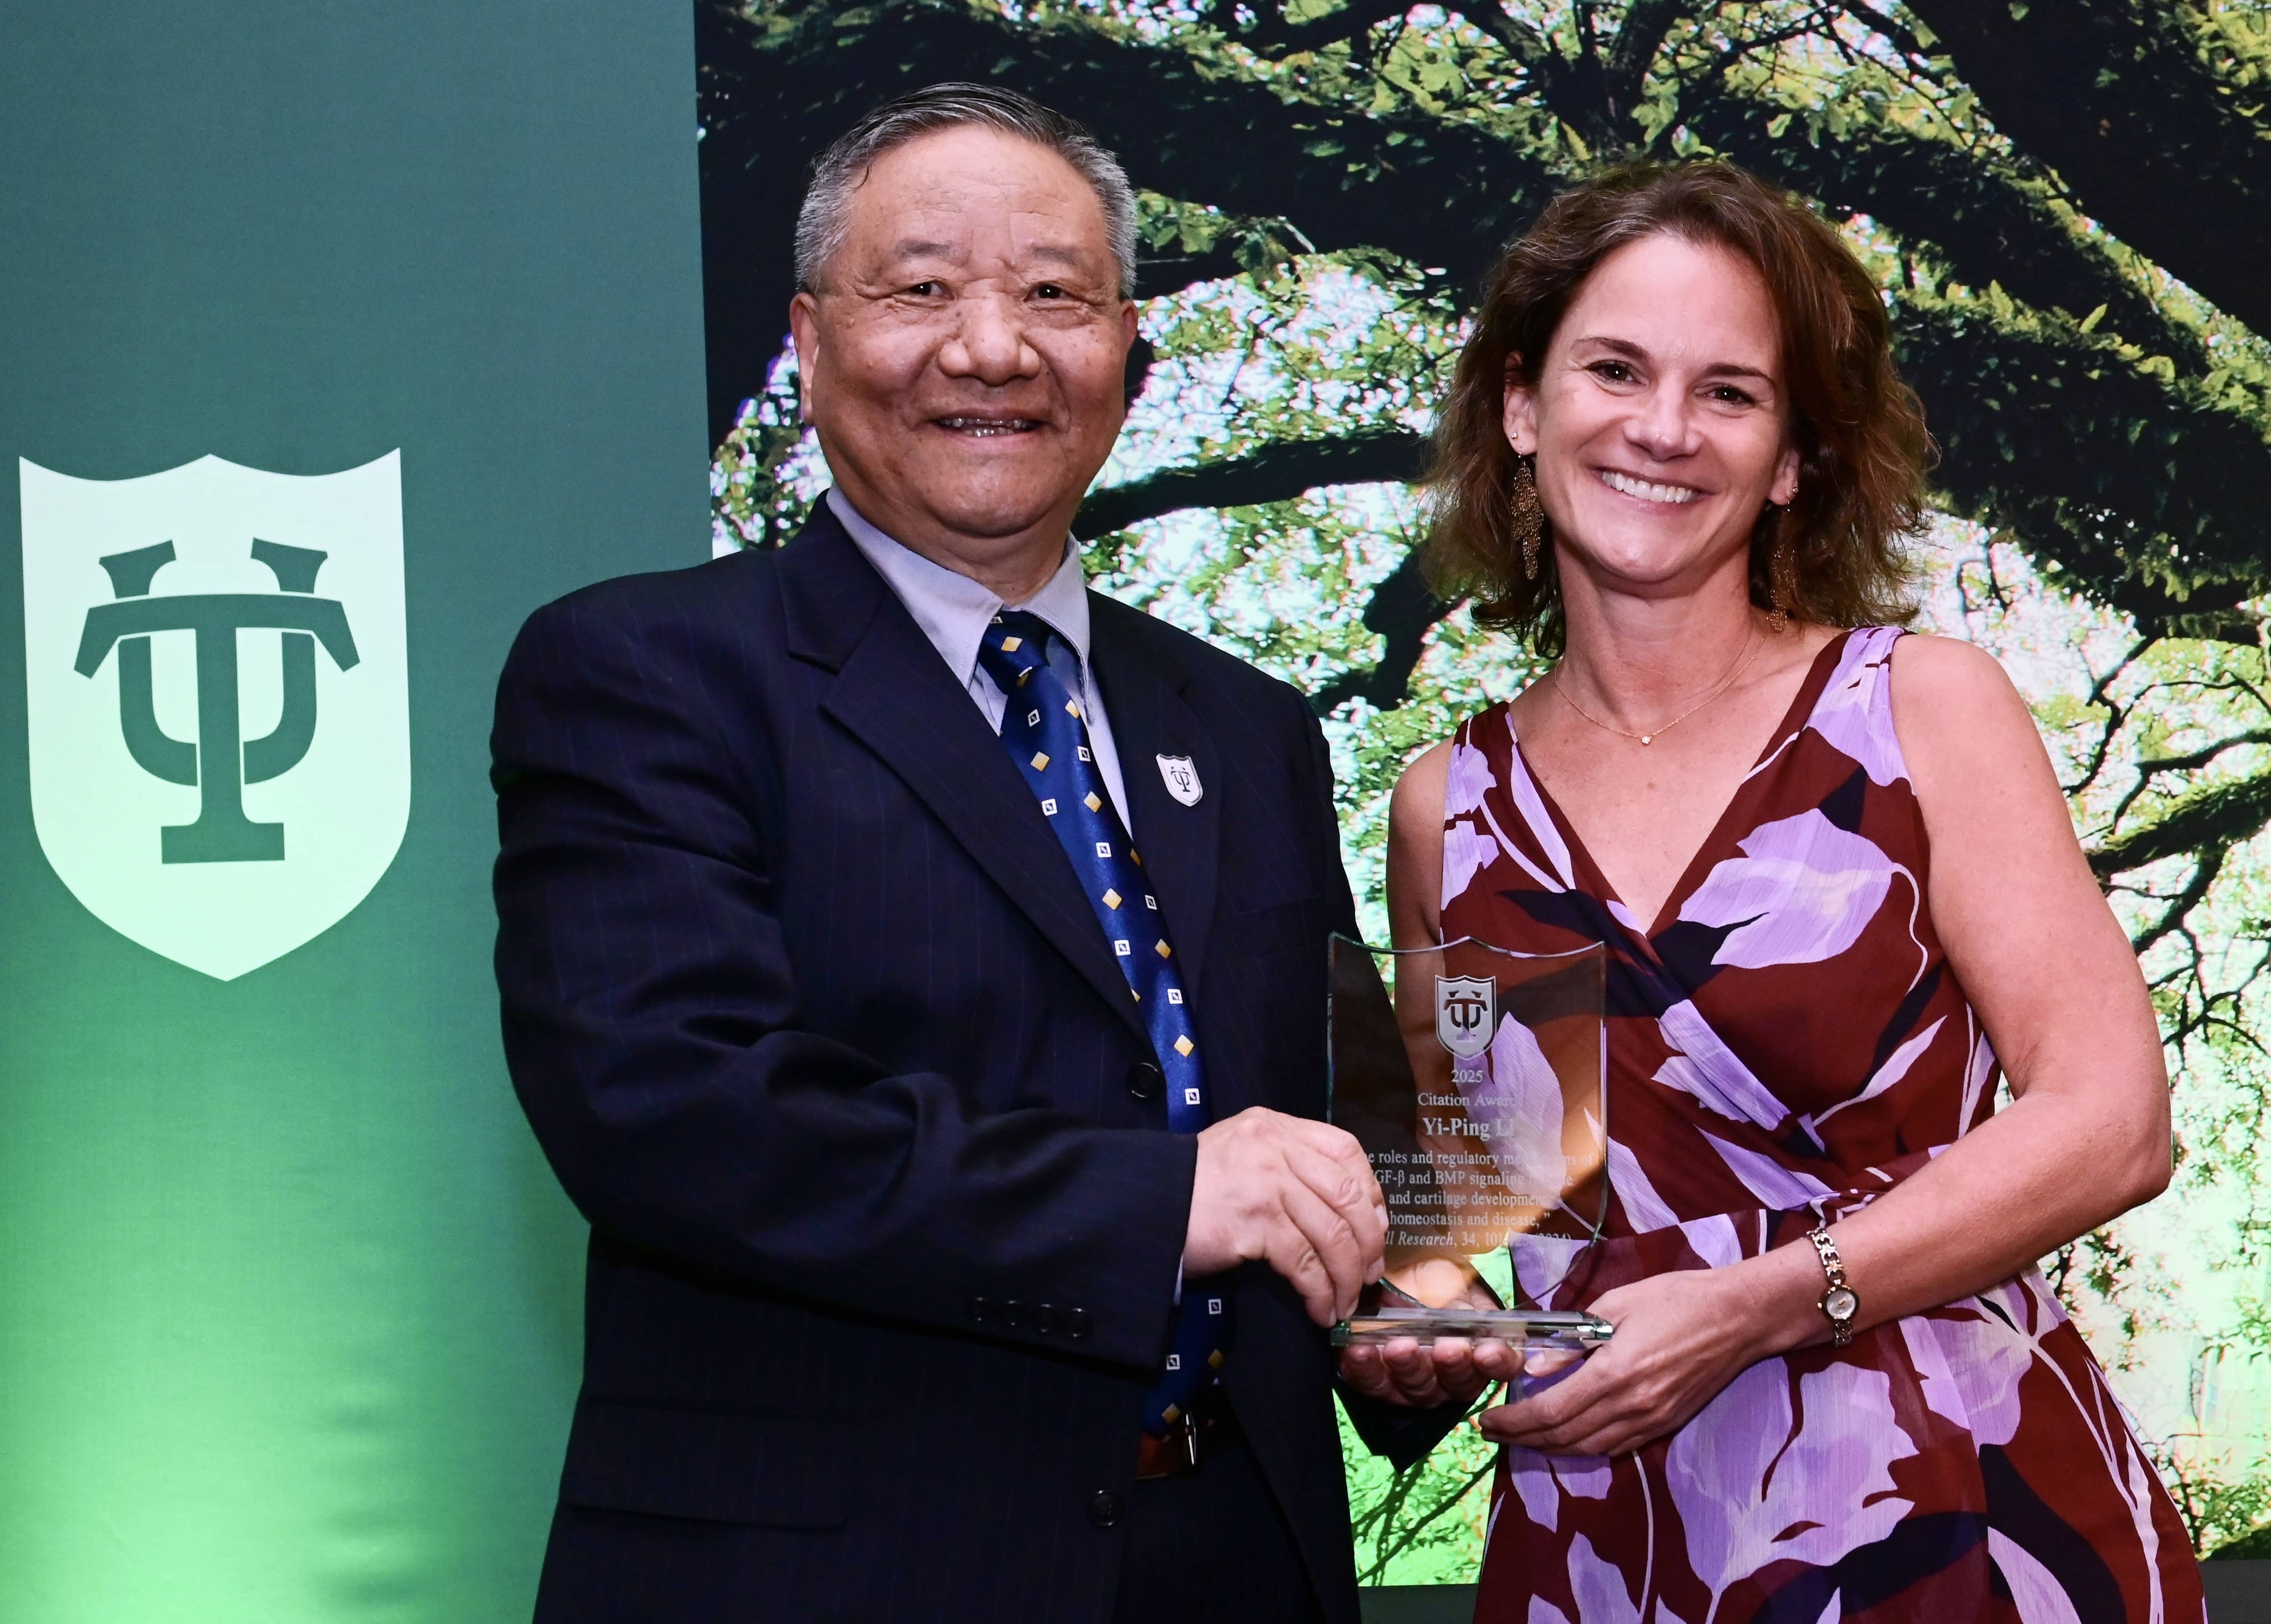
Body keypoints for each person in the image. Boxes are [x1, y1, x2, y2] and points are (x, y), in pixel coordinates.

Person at [490, 84, 1437, 1624]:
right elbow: (676, 1110)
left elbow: (1319, 1126)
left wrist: (1414, 1312)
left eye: (1056, 295)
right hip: (831, 1578)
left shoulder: (1250, 725)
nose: (992, 346)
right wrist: (1163, 1201)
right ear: (809, 344)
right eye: (921, 287)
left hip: (1236, 1567)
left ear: (1129, 356)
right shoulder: (645, 671)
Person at [1351, 161, 2206, 1621]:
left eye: (1730, 392)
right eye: (1613, 369)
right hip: (1614, 1546)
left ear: (1796, 456)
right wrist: (1417, 1334)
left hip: (1954, 1515)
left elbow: (2112, 1123)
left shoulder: (1917, 708)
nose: (1662, 428)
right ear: (1519, 405)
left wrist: (1753, 1303)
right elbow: (1483, 1209)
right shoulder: (1451, 804)